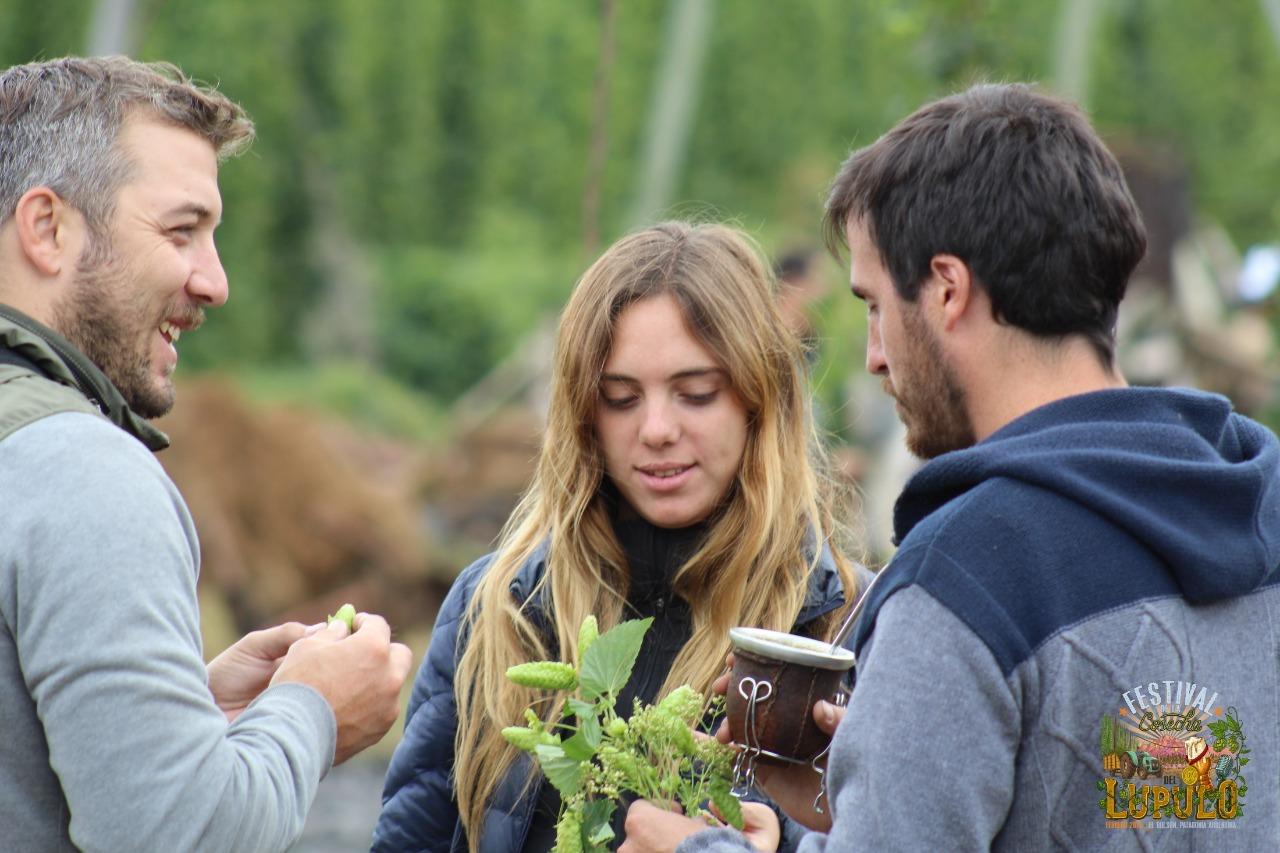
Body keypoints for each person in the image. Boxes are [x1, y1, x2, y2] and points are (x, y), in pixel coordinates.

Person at [625, 84, 1279, 851]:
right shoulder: (1251, 509)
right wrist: (857, 797)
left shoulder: (968, 576)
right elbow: (1167, 799)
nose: (874, 356)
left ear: (946, 289)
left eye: (875, 305)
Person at [0, 56, 412, 851]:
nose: (216, 282)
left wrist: (185, 712)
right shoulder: (83, 474)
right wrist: (312, 713)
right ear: (47, 228)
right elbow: (181, 836)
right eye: (180, 231)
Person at [373, 221, 865, 852]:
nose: (656, 429)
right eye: (621, 398)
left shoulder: (845, 627)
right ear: (584, 414)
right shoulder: (499, 608)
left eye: (696, 394)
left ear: (759, 401)